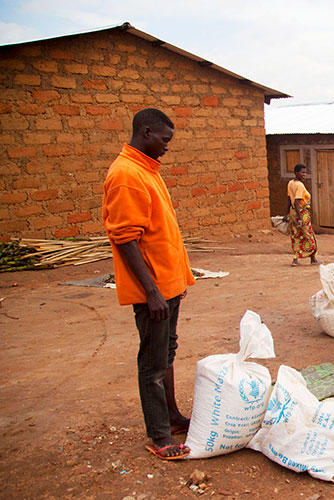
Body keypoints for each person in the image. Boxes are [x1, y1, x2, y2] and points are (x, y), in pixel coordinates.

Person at [102, 108, 195, 460]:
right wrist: (152, 291)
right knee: (153, 364)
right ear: (145, 133)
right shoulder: (126, 174)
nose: (167, 147)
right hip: (153, 291)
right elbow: (125, 239)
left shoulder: (146, 170)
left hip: (168, 286)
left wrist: (178, 280)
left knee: (166, 354)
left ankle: (171, 417)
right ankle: (159, 435)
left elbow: (160, 234)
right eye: (164, 140)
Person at [287, 163, 319, 266]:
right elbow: (297, 202)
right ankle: (312, 256)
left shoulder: (290, 183)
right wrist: (300, 218)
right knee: (308, 234)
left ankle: (296, 259)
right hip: (301, 213)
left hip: (292, 213)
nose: (304, 174)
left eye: (305, 172)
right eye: (302, 172)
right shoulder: (299, 185)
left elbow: (289, 200)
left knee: (296, 235)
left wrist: (286, 214)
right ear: (296, 172)